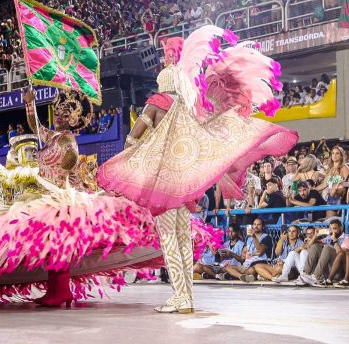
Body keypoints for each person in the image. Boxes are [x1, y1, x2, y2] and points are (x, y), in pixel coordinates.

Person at [0, 88, 213, 309]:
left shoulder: (67, 140)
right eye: (58, 109)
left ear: (74, 119)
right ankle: (59, 290)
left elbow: (64, 167)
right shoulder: (53, 134)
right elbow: (35, 125)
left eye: (66, 111)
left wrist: (52, 180)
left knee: (57, 242)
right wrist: (30, 103)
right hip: (43, 195)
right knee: (49, 245)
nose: (59, 112)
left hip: (59, 198)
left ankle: (59, 291)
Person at [98, 26, 298, 312]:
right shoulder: (188, 110)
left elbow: (132, 138)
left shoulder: (155, 105)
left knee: (169, 239)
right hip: (183, 182)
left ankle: (180, 297)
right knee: (182, 237)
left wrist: (137, 154)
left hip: (162, 183)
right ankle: (186, 297)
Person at [223, 218, 273, 283]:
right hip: (247, 265)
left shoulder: (266, 237)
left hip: (258, 264)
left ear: (263, 227)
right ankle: (242, 276)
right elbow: (243, 257)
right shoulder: (249, 238)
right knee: (228, 268)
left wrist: (254, 237)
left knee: (252, 270)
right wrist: (243, 255)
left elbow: (260, 252)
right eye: (254, 224)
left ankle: (235, 276)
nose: (256, 226)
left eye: (258, 224)